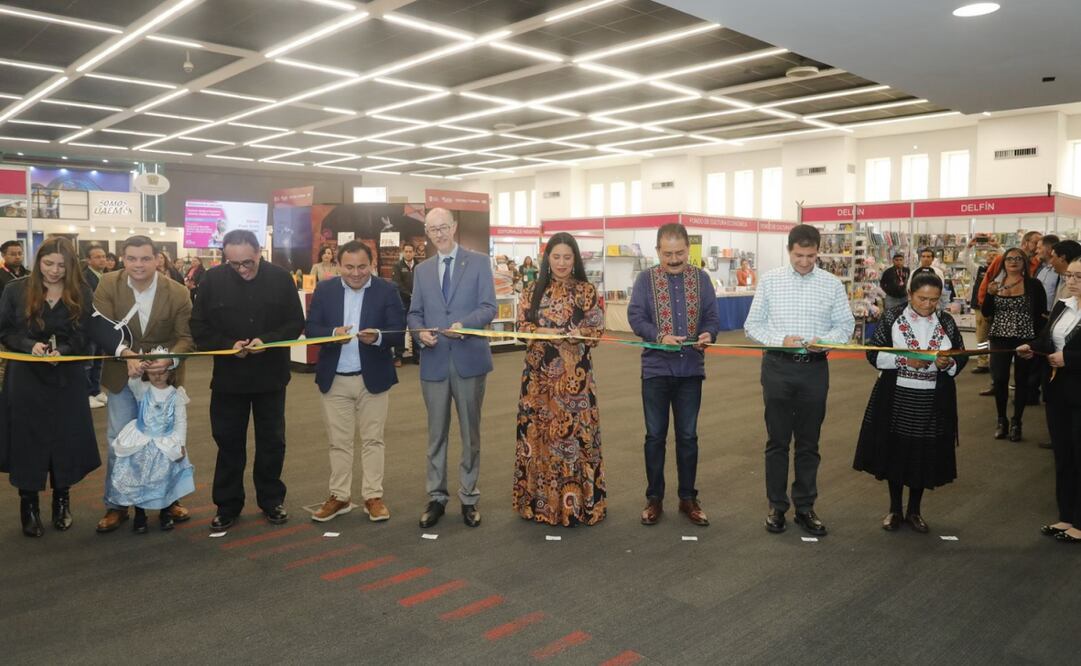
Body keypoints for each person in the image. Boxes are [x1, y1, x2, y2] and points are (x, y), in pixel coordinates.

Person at [744, 224, 854, 537]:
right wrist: (780, 340)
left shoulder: (832, 284)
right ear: (789, 251)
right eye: (798, 255)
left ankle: (805, 507)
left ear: (818, 252)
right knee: (777, 441)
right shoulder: (771, 281)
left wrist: (826, 341)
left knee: (809, 442)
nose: (804, 262)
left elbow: (845, 326)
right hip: (778, 367)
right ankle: (777, 507)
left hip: (814, 370)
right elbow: (752, 325)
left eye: (810, 256)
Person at [190, 229, 304, 531]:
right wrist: (229, 345)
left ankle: (271, 500)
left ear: (259, 253)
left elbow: (295, 323)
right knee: (228, 442)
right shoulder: (212, 280)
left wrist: (268, 340)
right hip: (229, 378)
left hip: (271, 376)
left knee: (272, 442)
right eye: (234, 264)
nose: (241, 269)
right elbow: (198, 327)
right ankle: (227, 505)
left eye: (247, 263)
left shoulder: (281, 278)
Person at [94, 236, 195, 534]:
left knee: (167, 441)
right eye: (132, 258)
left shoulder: (177, 292)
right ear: (123, 259)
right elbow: (100, 328)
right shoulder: (107, 284)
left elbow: (186, 338)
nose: (138, 265)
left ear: (157, 259)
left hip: (163, 380)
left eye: (145, 258)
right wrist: (125, 354)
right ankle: (117, 504)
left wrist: (169, 360)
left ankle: (169, 500)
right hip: (121, 375)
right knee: (119, 441)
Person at [0, 236, 99, 537]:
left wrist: (64, 351)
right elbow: (4, 331)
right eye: (48, 264)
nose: (54, 271)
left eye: (62, 265)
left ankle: (61, 499)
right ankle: (28, 504)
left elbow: (85, 335)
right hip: (25, 376)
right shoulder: (15, 289)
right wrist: (28, 346)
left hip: (66, 376)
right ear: (38, 261)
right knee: (26, 438)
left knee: (64, 437)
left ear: (72, 266)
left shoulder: (82, 291)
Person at [853, 273, 967, 533]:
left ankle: (914, 510)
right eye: (922, 298)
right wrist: (904, 361)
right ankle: (895, 509)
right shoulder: (892, 317)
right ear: (910, 295)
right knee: (896, 451)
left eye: (934, 300)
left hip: (933, 399)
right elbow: (873, 354)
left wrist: (948, 362)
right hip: (897, 396)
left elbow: (960, 354)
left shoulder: (946, 321)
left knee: (923, 454)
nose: (928, 305)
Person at [407, 207, 496, 529]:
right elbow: (414, 313)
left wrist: (465, 325)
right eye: (433, 229)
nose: (439, 234)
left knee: (470, 434)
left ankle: (469, 497)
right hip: (434, 362)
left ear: (454, 227)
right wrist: (420, 332)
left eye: (444, 227)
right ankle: (437, 497)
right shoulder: (422, 271)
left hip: (469, 360)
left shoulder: (479, 262)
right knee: (436, 434)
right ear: (427, 234)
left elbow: (489, 307)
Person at [305, 241, 405, 523]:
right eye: (349, 267)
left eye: (362, 266)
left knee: (373, 440)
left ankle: (373, 496)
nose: (356, 273)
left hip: (373, 378)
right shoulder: (325, 290)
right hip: (335, 378)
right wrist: (332, 333)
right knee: (339, 442)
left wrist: (379, 337)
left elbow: (399, 331)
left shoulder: (387, 290)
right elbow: (311, 329)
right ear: (338, 266)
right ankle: (339, 496)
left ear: (371, 264)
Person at [628, 223, 721, 527]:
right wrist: (659, 336)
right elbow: (635, 316)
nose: (674, 259)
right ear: (657, 251)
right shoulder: (645, 279)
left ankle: (688, 498)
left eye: (680, 252)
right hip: (655, 370)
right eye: (667, 254)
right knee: (655, 437)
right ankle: (654, 499)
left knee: (688, 437)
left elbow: (712, 317)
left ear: (688, 250)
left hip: (690, 371)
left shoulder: (702, 279)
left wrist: (708, 333)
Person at [514, 232, 606, 527]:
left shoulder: (586, 290)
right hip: (537, 380)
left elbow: (596, 330)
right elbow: (521, 327)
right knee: (538, 437)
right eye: (556, 257)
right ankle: (539, 505)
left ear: (575, 258)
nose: (562, 263)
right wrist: (544, 332)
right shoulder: (532, 290)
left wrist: (578, 335)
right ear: (547, 259)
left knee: (575, 439)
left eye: (567, 257)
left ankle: (576, 506)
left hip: (575, 381)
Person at [1017, 258, 1081, 543]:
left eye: (1079, 277)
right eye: (1069, 276)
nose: (1072, 281)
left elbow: (1068, 352)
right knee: (1063, 455)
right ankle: (1066, 516)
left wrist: (1069, 358)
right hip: (1057, 390)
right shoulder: (1063, 305)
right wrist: (1032, 347)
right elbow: (1047, 340)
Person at [104, 358, 195, 533]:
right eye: (153, 373)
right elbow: (132, 382)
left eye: (162, 372)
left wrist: (181, 444)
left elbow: (181, 421)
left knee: (165, 477)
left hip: (165, 443)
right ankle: (140, 515)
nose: (158, 376)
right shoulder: (143, 389)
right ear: (147, 374)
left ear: (170, 372)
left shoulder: (176, 395)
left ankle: (165, 512)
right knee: (141, 476)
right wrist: (139, 368)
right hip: (143, 442)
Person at [981, 247, 1047, 441]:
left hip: (1024, 338)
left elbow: (1041, 315)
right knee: (1000, 379)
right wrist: (990, 294)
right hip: (999, 338)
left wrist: (1036, 342)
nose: (1013, 262)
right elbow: (986, 312)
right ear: (1003, 263)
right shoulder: (996, 284)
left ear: (1024, 262)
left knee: (1021, 380)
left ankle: (1017, 421)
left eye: (1018, 258)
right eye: (1009, 258)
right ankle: (1001, 420)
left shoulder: (1034, 285)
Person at [978, 230, 1042, 307]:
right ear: (1025, 243)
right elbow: (987, 279)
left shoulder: (1035, 264)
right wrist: (983, 303)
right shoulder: (1000, 260)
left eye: (1041, 244)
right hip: (997, 306)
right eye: (1036, 243)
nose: (1038, 247)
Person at [83, 244, 108, 409]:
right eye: (97, 257)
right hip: (89, 325)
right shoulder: (84, 278)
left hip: (103, 325)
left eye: (103, 256)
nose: (102, 260)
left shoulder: (106, 277)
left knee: (99, 360)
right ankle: (86, 394)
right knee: (88, 362)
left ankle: (96, 390)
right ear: (88, 260)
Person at [391, 244, 417, 366]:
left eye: (410, 251)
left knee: (416, 327)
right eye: (406, 251)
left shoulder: (419, 266)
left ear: (414, 253)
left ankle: (417, 355)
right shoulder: (397, 266)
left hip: (417, 302)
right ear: (403, 252)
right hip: (402, 302)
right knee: (401, 328)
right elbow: (397, 284)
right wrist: (410, 294)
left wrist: (417, 296)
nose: (408, 253)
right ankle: (398, 356)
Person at [1035, 234, 1062, 309]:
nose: (1036, 251)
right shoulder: (1040, 269)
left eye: (1039, 248)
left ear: (1050, 249)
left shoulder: (1060, 272)